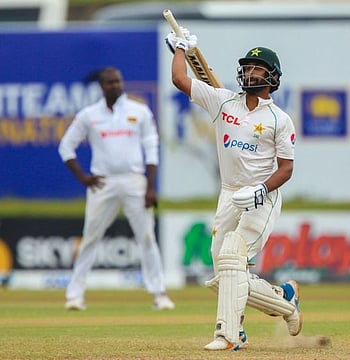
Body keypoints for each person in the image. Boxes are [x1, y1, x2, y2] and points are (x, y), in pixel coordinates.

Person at [165, 29, 301, 351]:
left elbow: (286, 169)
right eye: (247, 67)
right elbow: (180, 80)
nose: (249, 72)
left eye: (257, 68)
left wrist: (259, 191)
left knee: (231, 257)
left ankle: (228, 334)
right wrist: (181, 48)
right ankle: (285, 300)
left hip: (262, 197)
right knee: (224, 268)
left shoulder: (279, 120)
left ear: (272, 77)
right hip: (229, 193)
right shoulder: (223, 101)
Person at [58, 66, 174, 311]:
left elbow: (151, 148)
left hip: (134, 180)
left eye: (118, 81)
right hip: (103, 181)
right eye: (110, 82)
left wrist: (150, 187)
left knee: (146, 237)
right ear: (101, 87)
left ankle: (159, 294)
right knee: (90, 237)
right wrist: (83, 178)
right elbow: (66, 147)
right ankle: (75, 296)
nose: (116, 86)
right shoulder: (89, 115)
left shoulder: (139, 111)